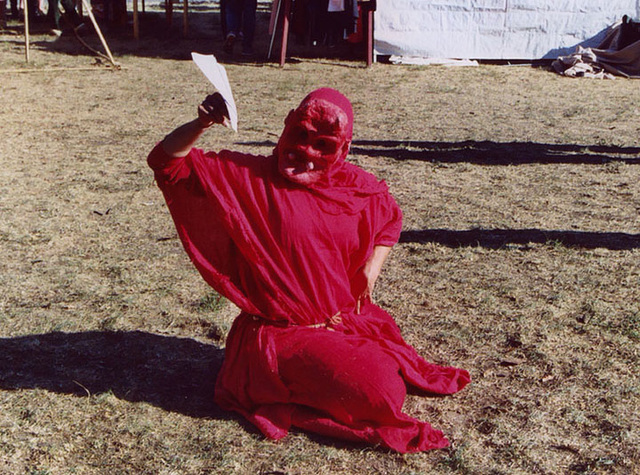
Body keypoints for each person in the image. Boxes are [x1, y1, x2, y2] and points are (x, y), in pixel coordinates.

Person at [147, 88, 470, 453]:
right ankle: (281, 393)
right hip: (277, 334)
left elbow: (389, 218)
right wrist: (202, 122)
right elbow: (165, 161)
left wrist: (371, 269)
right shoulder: (247, 177)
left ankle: (324, 368)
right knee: (383, 388)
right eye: (299, 136)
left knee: (390, 368)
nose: (306, 154)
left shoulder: (350, 185)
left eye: (323, 146)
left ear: (343, 151)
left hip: (340, 317)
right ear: (286, 126)